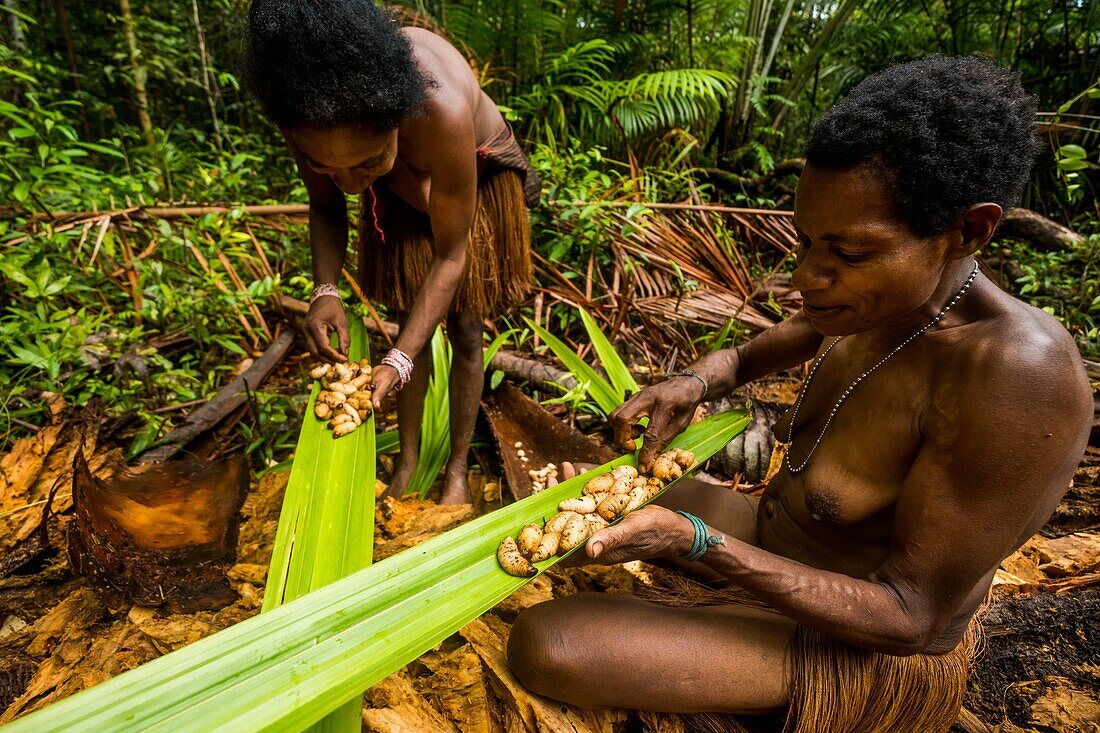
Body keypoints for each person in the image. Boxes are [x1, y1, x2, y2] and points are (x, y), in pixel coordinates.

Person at [507, 57, 1093, 731]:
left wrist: (697, 542)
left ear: (967, 232)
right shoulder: (877, 302)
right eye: (806, 241)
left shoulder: (1016, 376)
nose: (806, 278)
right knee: (575, 486)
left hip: (862, 642)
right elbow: (758, 349)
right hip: (778, 540)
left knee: (551, 643)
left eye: (844, 254)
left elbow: (914, 617)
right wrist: (696, 380)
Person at [245, 1, 539, 504]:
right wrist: (324, 291)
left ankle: (456, 472)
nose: (349, 185)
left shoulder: (439, 110)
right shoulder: (305, 117)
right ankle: (406, 463)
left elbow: (451, 256)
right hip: (401, 178)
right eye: (328, 165)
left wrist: (398, 360)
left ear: (396, 122)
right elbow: (327, 204)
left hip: (474, 174)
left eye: (364, 163)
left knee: (466, 327)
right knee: (409, 319)